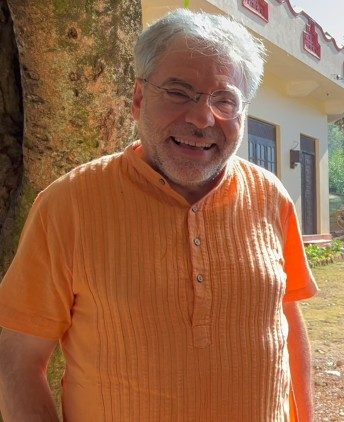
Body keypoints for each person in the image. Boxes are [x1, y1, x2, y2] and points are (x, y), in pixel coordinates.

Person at [0, 9, 317, 421]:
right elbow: (16, 360)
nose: (203, 118)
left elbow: (287, 321)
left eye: (225, 100)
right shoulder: (69, 205)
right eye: (179, 92)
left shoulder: (271, 197)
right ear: (138, 98)